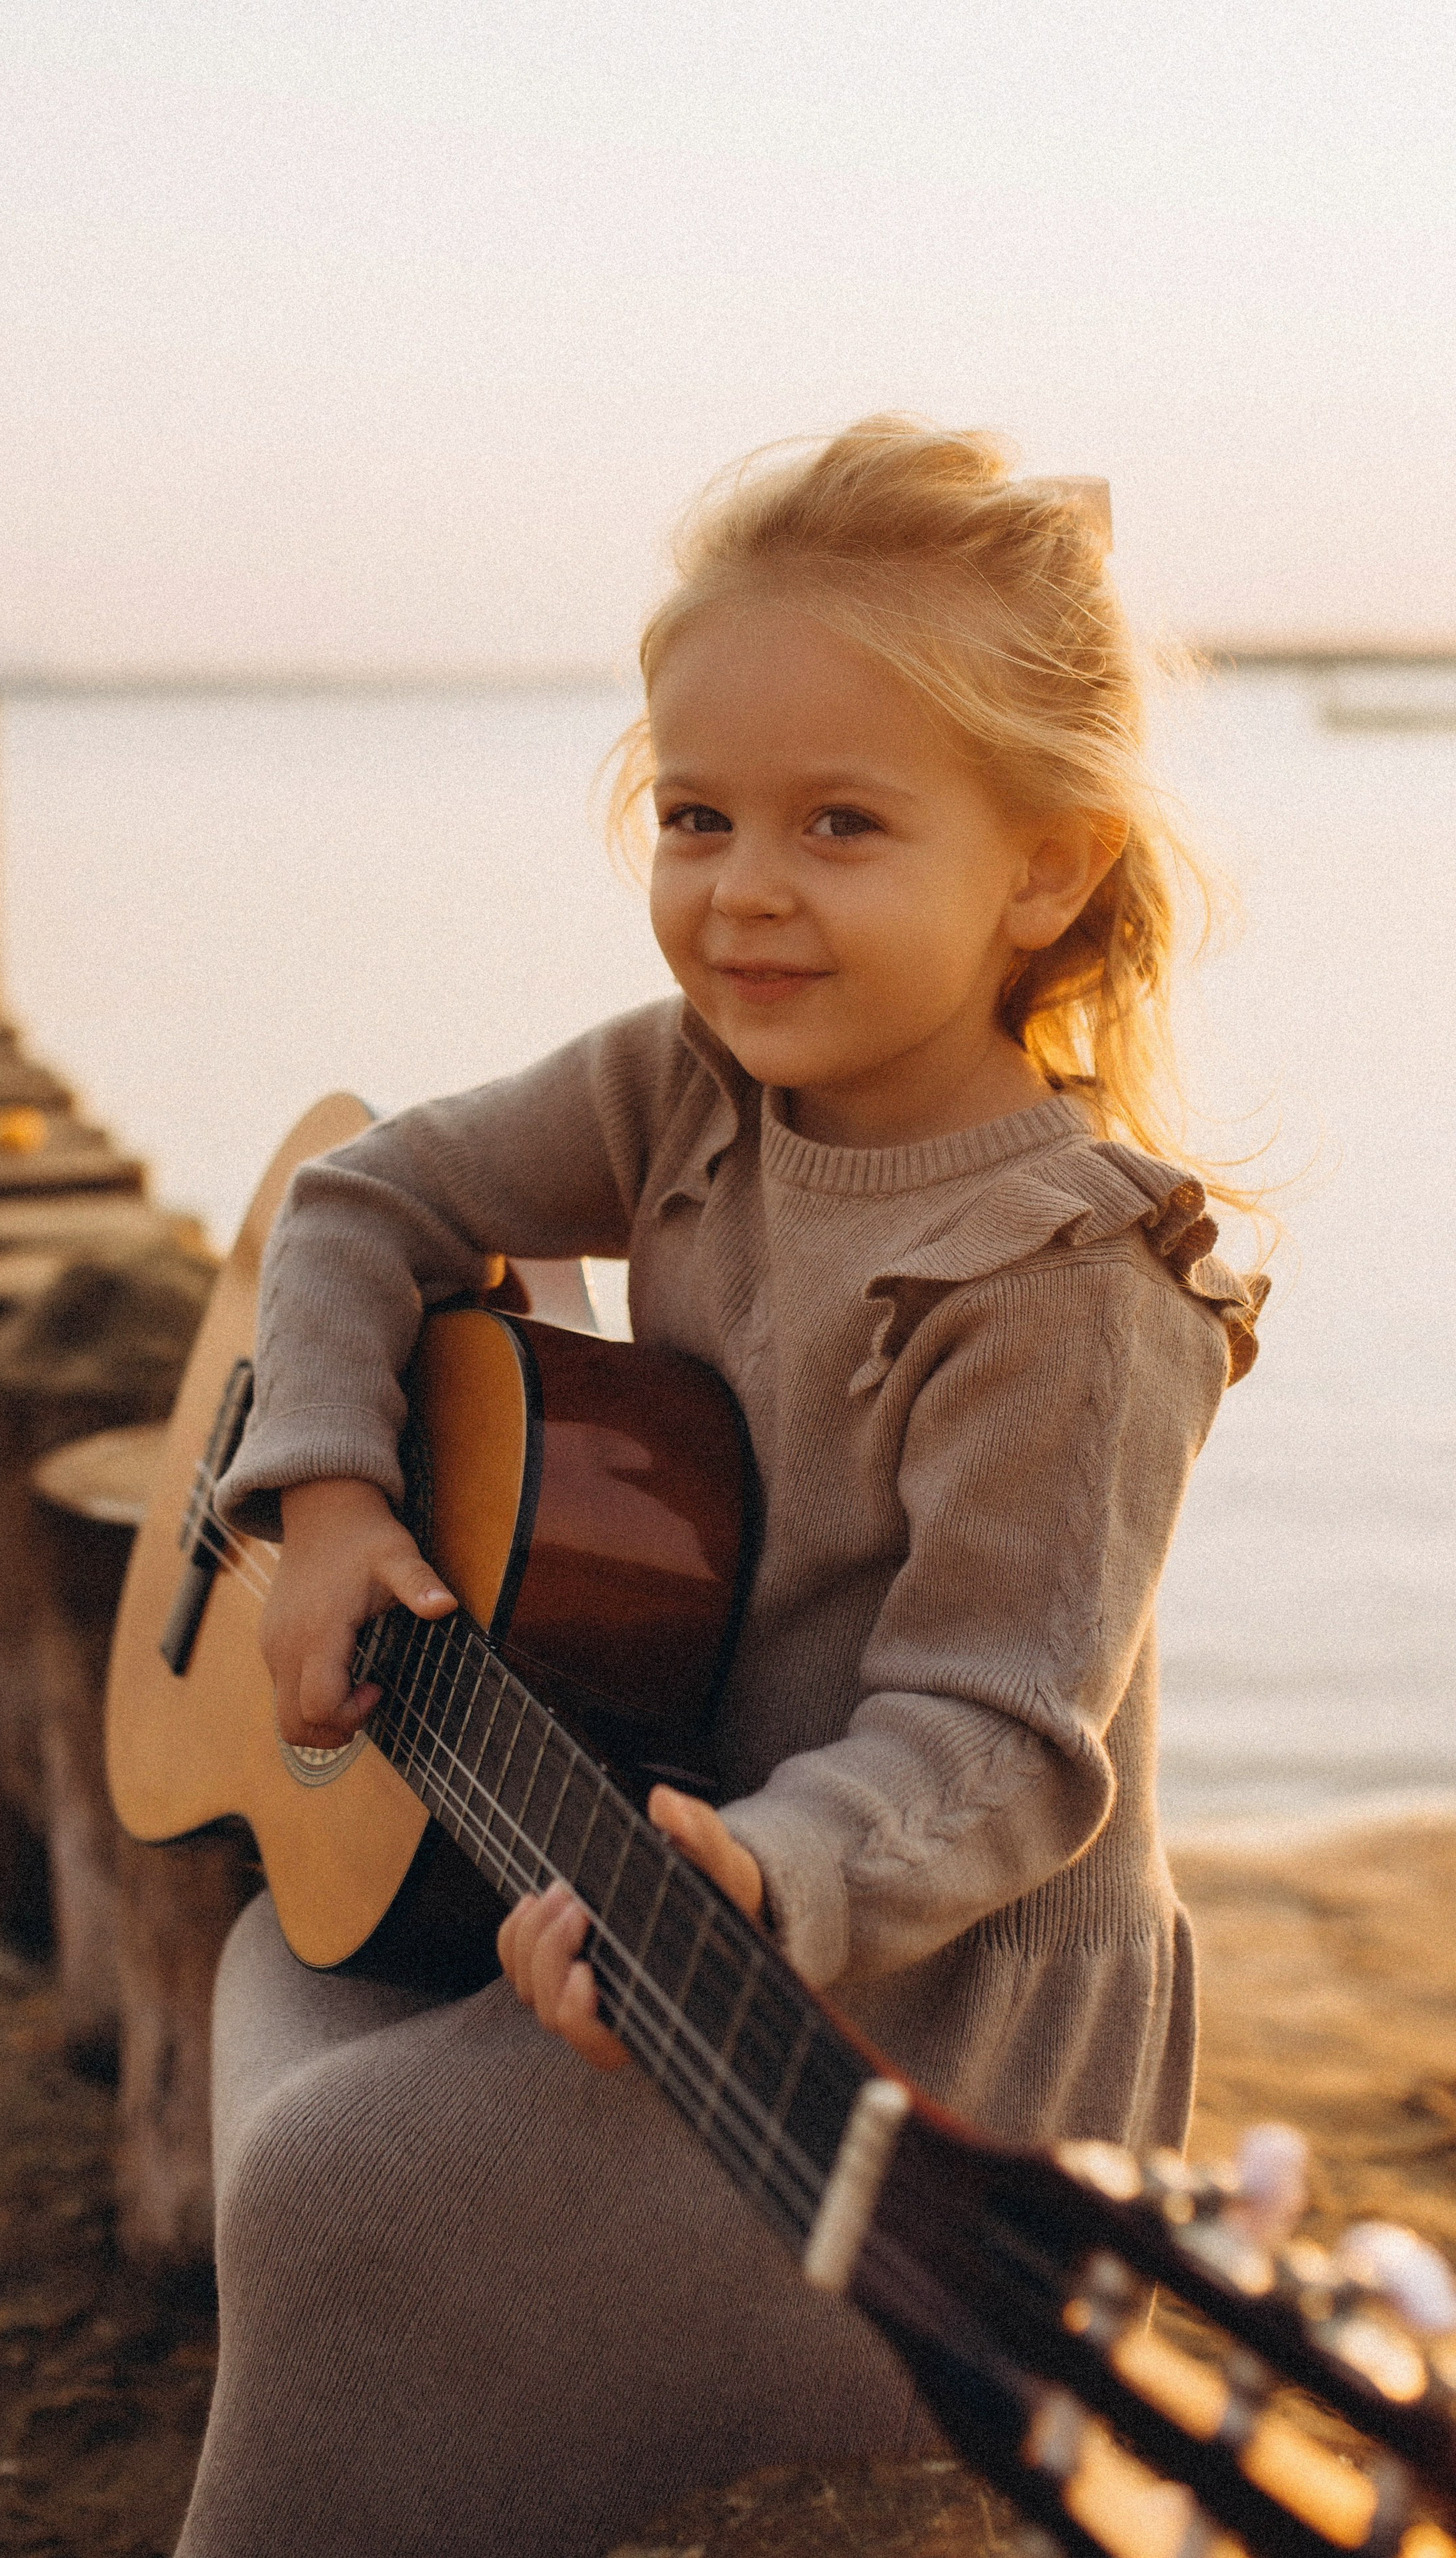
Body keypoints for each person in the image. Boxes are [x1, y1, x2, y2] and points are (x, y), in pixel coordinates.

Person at [175, 416, 1267, 2558]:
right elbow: (362, 1198)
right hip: (668, 1893)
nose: (743, 887)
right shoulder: (688, 1085)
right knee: (277, 1976)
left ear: (1043, 870)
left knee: (322, 2183)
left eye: (840, 822)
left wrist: (765, 1870)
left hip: (910, 2056)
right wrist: (322, 1494)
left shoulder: (1073, 1282)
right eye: (697, 815)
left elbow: (997, 1744)